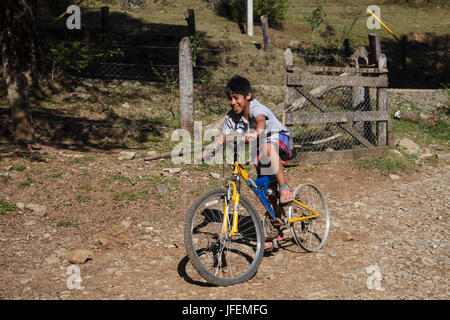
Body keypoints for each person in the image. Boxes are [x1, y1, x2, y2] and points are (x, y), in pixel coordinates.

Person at [198, 75, 294, 247]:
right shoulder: (231, 118)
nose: (232, 102)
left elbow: (261, 122)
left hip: (278, 139)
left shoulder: (257, 108)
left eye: (236, 98)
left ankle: (285, 188)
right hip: (261, 148)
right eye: (230, 99)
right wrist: (208, 152)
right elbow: (222, 139)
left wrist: (256, 134)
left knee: (268, 148)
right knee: (267, 192)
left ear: (247, 96)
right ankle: (277, 229)